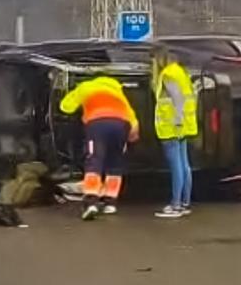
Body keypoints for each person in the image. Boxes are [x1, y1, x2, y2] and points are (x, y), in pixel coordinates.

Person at [59, 75, 139, 221]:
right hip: (122, 124)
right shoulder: (117, 91)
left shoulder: (86, 87)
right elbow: (132, 116)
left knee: (95, 159)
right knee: (115, 162)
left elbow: (65, 106)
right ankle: (110, 202)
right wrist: (133, 130)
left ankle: (91, 201)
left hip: (97, 123)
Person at [153, 47, 198, 219]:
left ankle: (176, 204)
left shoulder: (168, 74)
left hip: (171, 127)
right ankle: (185, 203)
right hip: (183, 125)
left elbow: (177, 99)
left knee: (176, 166)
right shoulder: (181, 73)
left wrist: (177, 122)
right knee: (185, 165)